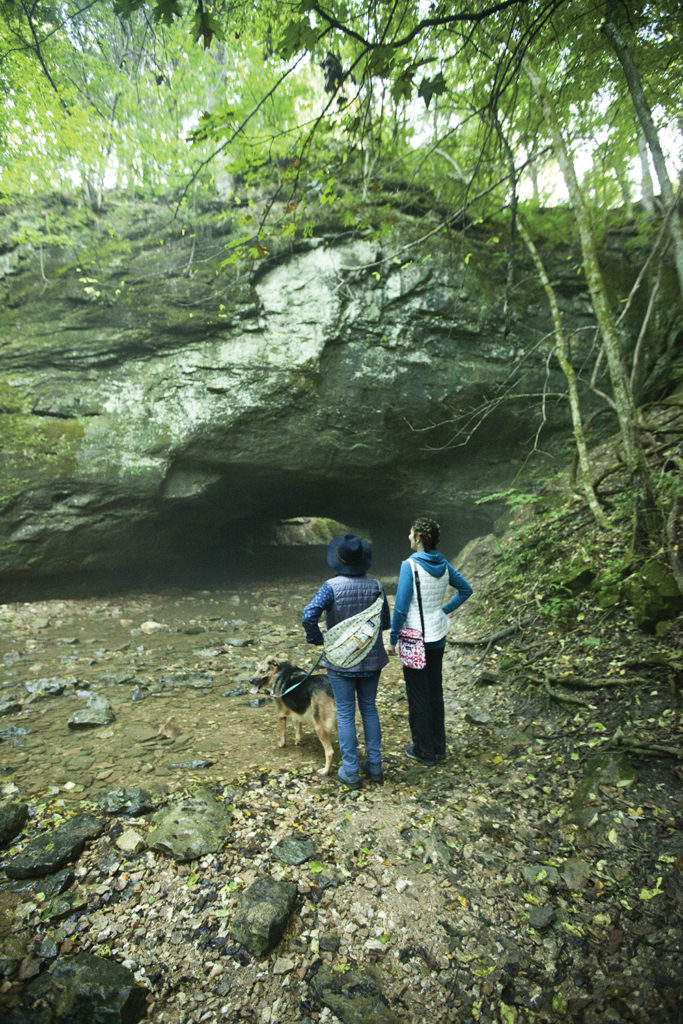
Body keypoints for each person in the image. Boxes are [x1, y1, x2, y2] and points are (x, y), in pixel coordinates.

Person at [302, 533, 391, 789]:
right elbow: (384, 622)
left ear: (339, 560)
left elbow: (309, 615)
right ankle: (375, 765)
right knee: (369, 709)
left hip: (341, 662)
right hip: (371, 659)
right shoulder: (376, 586)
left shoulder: (330, 587)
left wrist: (318, 638)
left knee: (345, 713)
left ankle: (350, 771)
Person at [388, 516, 473, 767]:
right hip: (437, 636)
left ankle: (423, 751)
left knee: (417, 695)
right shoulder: (444, 564)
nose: (408, 537)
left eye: (411, 533)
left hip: (415, 638)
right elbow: (466, 590)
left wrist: (392, 638)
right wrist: (443, 611)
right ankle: (439, 747)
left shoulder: (410, 566)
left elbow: (401, 608)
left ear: (419, 538)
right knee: (435, 691)